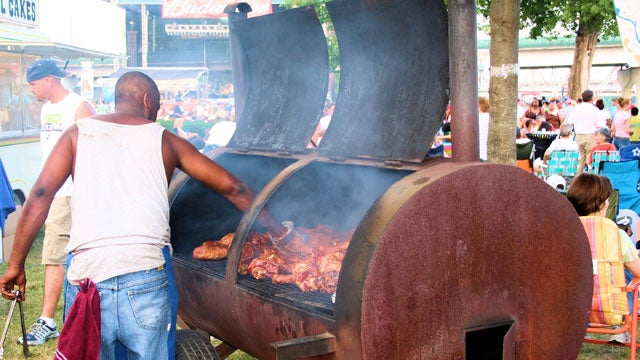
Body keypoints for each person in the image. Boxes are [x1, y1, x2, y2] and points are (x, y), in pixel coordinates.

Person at [0, 71, 289, 359]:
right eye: (159, 107)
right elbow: (235, 188)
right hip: (145, 275)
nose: (157, 115)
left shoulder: (77, 133)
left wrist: (16, 264)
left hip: (88, 275)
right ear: (148, 100)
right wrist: (277, 231)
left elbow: (39, 195)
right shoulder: (165, 140)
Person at [18, 58, 96, 346]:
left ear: (50, 79)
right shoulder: (46, 109)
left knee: (64, 254)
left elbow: (94, 150)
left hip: (73, 193)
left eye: (34, 84)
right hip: (54, 193)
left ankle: (54, 320)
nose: (32, 90)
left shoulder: (79, 107)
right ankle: (52, 321)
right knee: (55, 255)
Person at [567, 173, 640, 343]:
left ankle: (582, 328)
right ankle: (617, 331)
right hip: (611, 311)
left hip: (572, 310)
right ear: (600, 203)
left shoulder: (567, 229)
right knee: (625, 272)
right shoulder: (615, 233)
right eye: (607, 199)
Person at [565, 89, 604, 175]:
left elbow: (570, 123)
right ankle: (591, 182)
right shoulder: (595, 110)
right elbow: (599, 125)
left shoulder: (576, 109)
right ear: (592, 98)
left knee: (579, 162)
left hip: (578, 136)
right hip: (591, 137)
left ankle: (577, 180)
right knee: (591, 161)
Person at [478, 96, 490, 161]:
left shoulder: (476, 119)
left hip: (479, 153)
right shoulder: (490, 117)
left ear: (479, 108)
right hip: (487, 153)